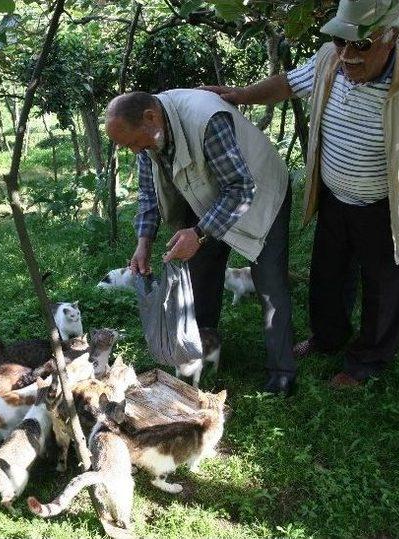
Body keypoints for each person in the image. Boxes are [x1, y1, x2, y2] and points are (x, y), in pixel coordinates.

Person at [204, 0, 399, 387]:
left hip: (390, 207)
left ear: (391, 36)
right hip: (335, 199)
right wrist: (239, 96)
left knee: (386, 288)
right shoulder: (330, 60)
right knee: (328, 277)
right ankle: (328, 337)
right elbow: (287, 84)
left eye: (361, 45)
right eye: (339, 41)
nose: (348, 55)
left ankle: (366, 360)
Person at [105, 89, 296, 395]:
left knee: (270, 283)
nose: (133, 151)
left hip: (260, 192)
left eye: (132, 142)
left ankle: (282, 372)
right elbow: (148, 193)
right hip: (206, 193)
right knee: (199, 274)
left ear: (150, 118)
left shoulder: (206, 120)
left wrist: (199, 232)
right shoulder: (146, 137)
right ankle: (202, 350)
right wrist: (144, 242)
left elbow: (241, 188)